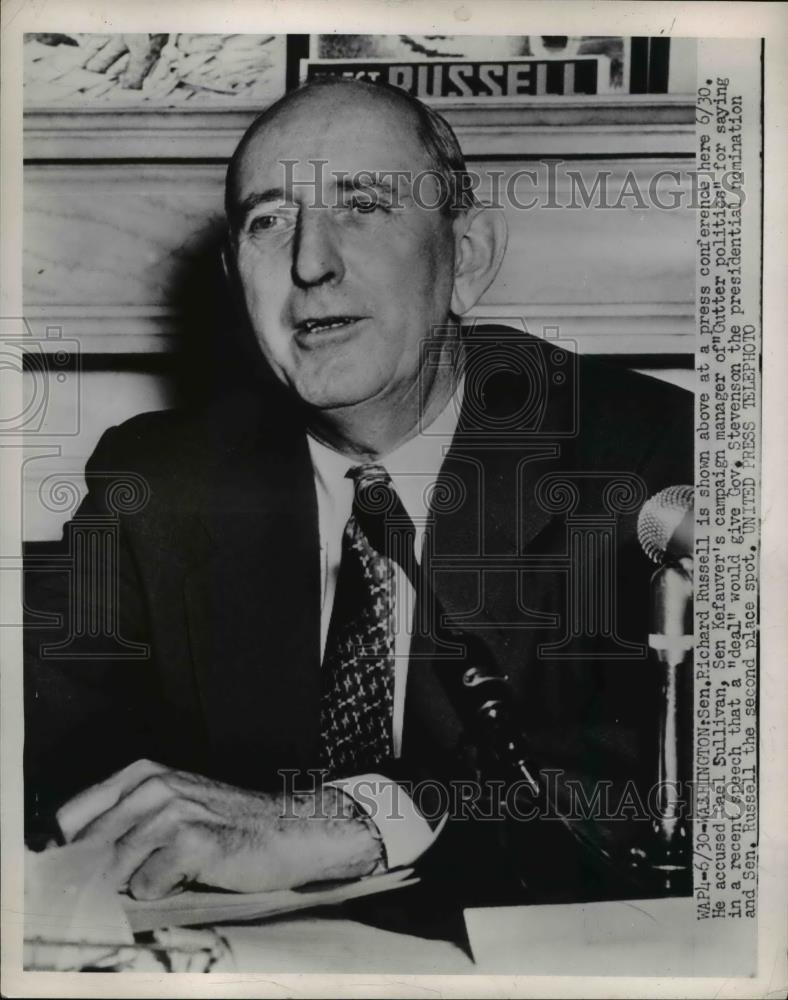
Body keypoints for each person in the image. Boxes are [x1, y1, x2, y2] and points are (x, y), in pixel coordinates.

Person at [24, 77, 693, 907]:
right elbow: (44, 739)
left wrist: (364, 818)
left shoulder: (650, 454)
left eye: (364, 205)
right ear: (238, 280)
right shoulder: (158, 478)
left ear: (467, 260)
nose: (310, 263)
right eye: (269, 222)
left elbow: (700, 761)